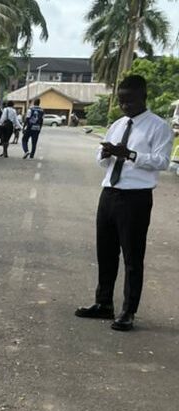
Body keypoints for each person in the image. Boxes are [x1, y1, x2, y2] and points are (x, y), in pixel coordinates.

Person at [74, 74, 173, 332]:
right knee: (105, 253)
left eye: (130, 101)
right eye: (121, 101)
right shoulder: (118, 124)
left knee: (132, 256)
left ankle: (128, 311)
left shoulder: (158, 126)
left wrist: (129, 154)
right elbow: (101, 159)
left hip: (135, 198)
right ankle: (103, 302)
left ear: (144, 97)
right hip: (109, 193)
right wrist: (105, 153)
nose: (125, 105)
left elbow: (162, 161)